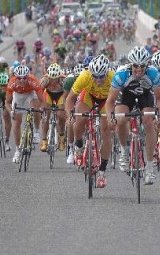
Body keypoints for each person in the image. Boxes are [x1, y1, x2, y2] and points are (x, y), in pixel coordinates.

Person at [105, 47, 160, 185]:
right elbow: (110, 101)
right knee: (120, 119)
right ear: (130, 64)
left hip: (145, 96)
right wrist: (110, 117)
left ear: (147, 65)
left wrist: (158, 116)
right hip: (126, 96)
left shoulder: (153, 73)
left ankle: (149, 168)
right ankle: (124, 151)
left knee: (149, 123)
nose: (139, 69)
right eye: (136, 66)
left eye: (142, 66)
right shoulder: (121, 74)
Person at [65, 55, 114, 188]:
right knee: (79, 119)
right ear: (90, 74)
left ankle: (102, 172)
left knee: (106, 132)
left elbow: (118, 99)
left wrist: (112, 117)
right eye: (95, 76)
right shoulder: (84, 76)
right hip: (89, 97)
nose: (98, 80)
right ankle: (79, 146)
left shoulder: (113, 77)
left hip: (106, 101)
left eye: (101, 76)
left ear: (106, 73)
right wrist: (70, 114)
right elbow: (69, 99)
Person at [5, 65, 45, 164]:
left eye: (24, 78)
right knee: (17, 122)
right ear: (15, 77)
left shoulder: (33, 81)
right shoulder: (12, 83)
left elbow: (42, 100)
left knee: (36, 107)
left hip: (30, 92)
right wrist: (11, 112)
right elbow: (7, 102)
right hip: (18, 95)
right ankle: (17, 151)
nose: (22, 80)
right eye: (19, 78)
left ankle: (35, 132)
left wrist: (42, 110)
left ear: (28, 76)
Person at [39, 63, 67, 153]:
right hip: (48, 94)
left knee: (61, 115)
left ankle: (61, 139)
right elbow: (39, 92)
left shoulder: (63, 80)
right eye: (51, 78)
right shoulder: (45, 80)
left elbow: (67, 94)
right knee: (45, 117)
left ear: (59, 77)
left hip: (60, 95)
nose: (53, 81)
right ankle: (44, 141)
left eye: (55, 79)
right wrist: (41, 105)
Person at [63, 63, 84, 164]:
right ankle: (71, 150)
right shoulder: (69, 81)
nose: (79, 79)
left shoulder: (87, 79)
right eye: (77, 77)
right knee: (70, 123)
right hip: (73, 102)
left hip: (84, 102)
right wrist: (68, 114)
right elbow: (66, 98)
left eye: (80, 77)